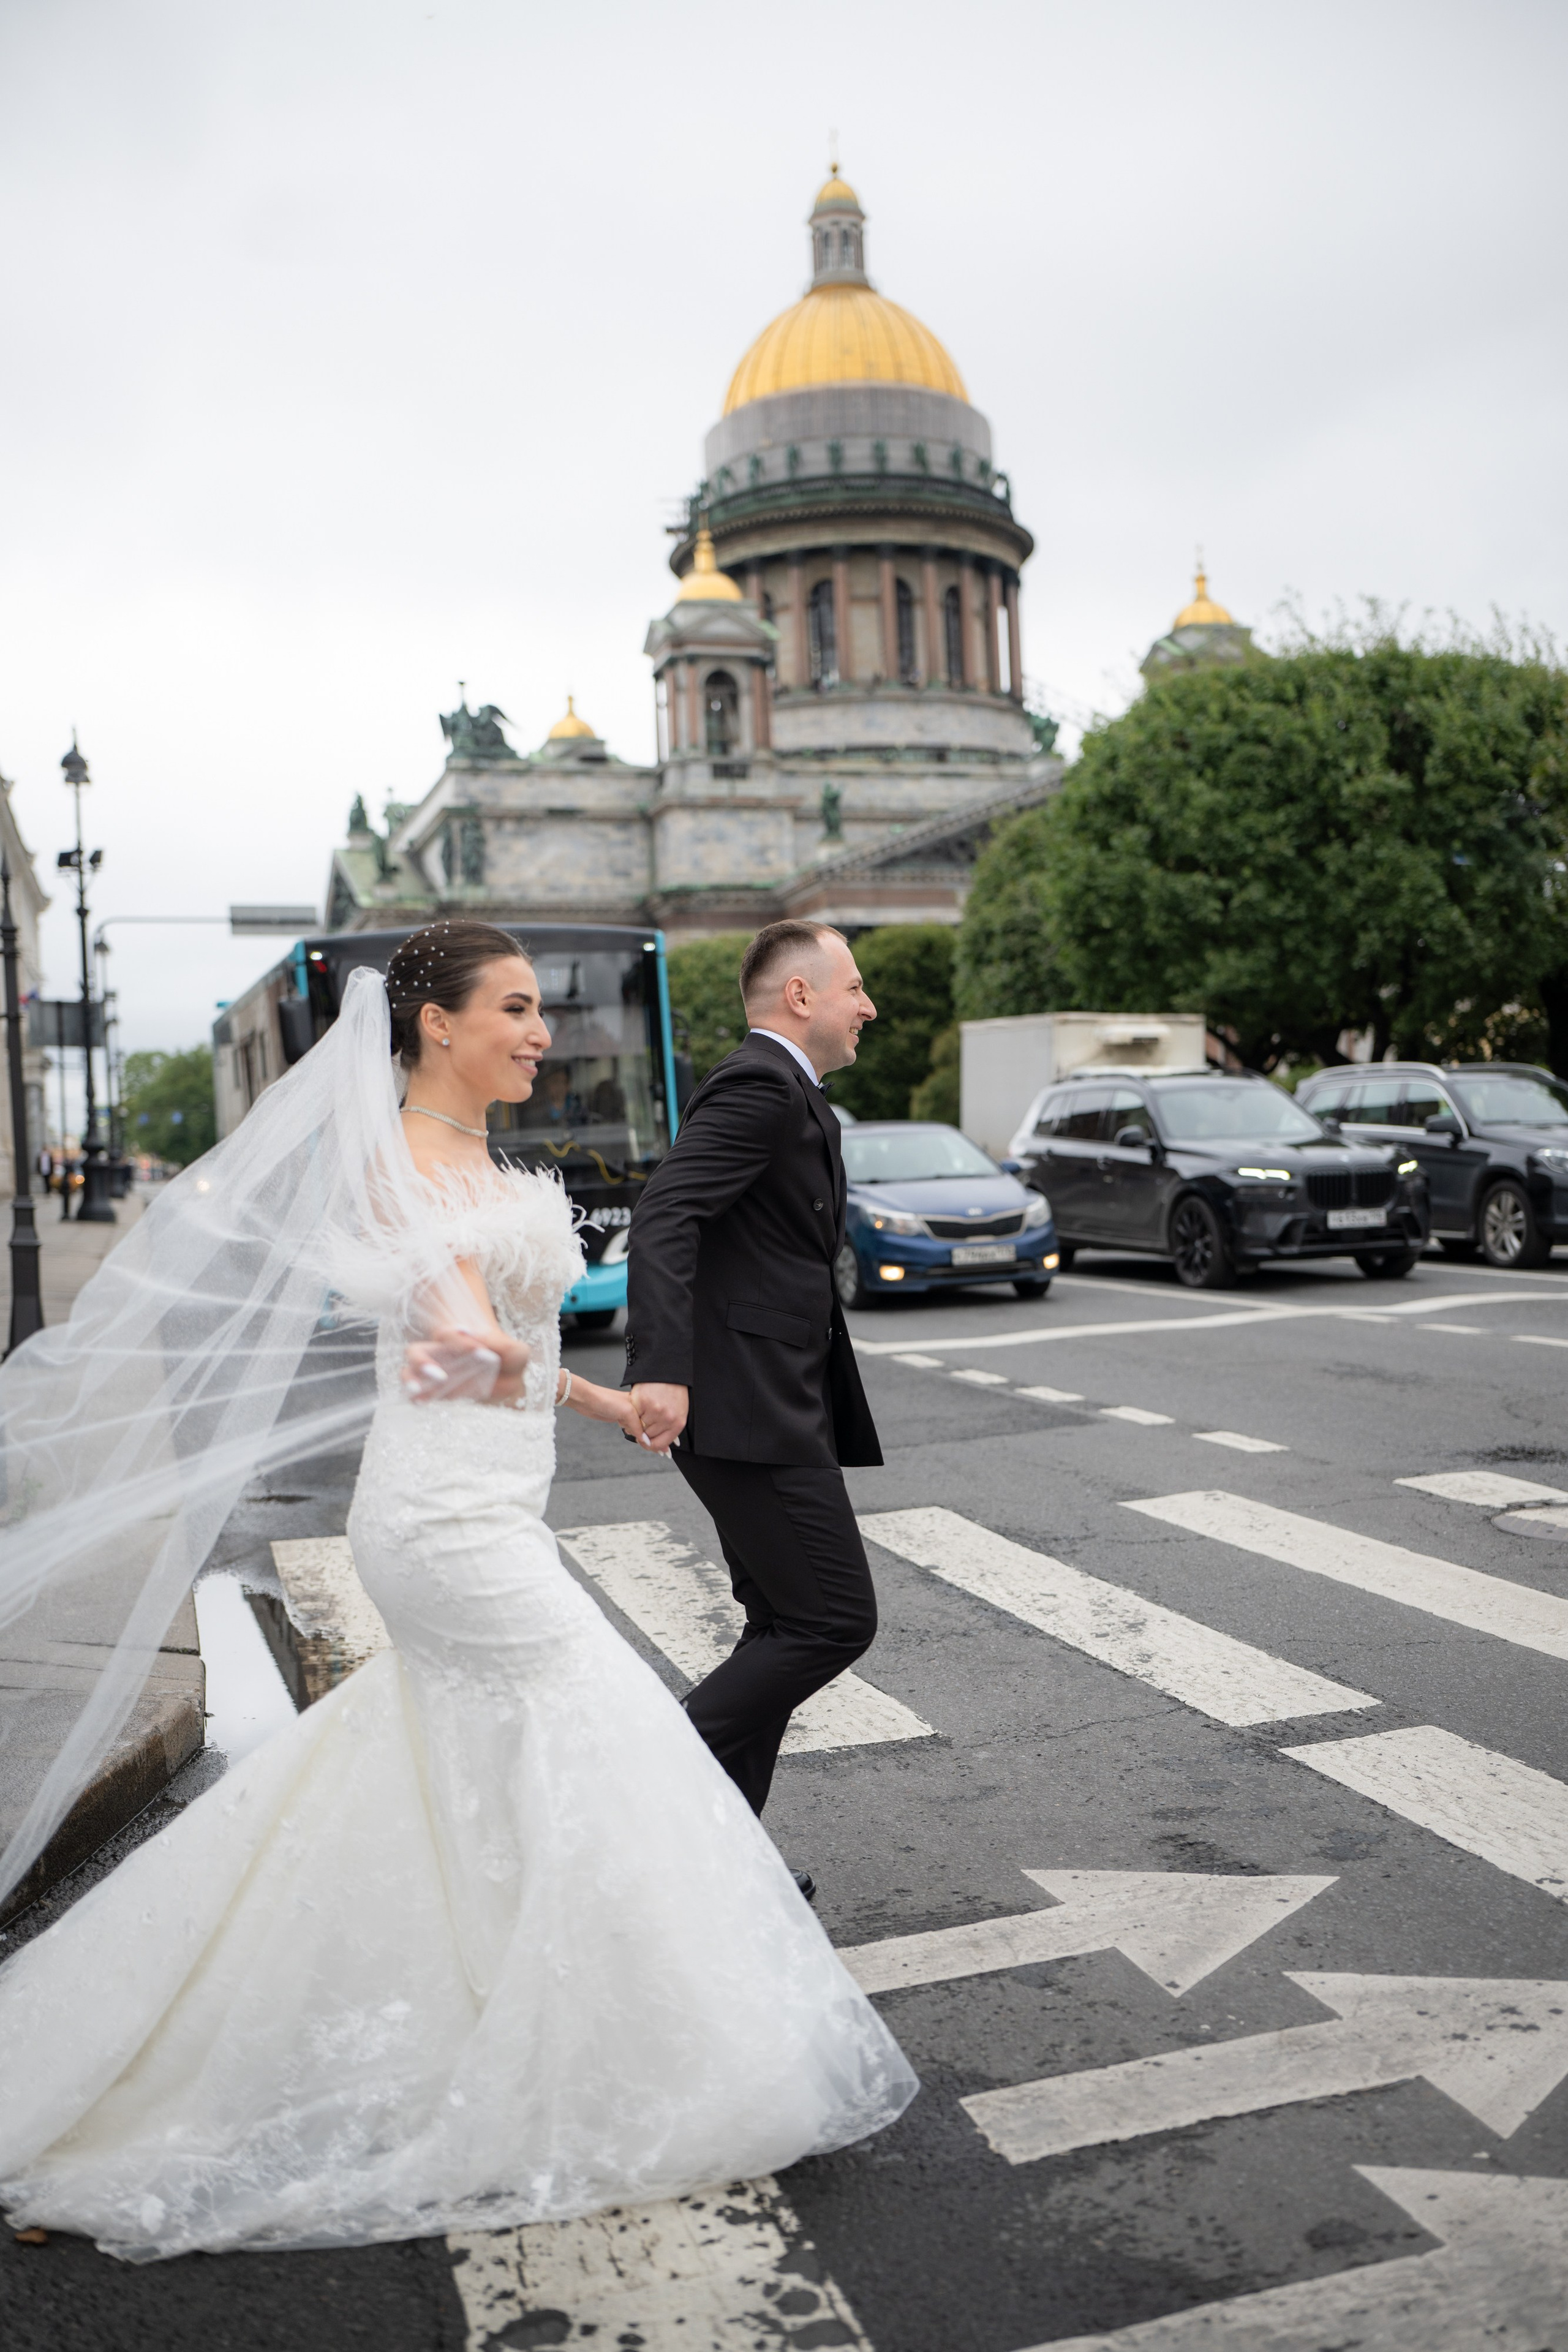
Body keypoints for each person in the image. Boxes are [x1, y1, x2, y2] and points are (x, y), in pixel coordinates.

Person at [0, 919, 914, 2262]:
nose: (544, 1034)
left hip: (484, 1506)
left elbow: (492, 1341)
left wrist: (605, 1395)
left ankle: (468, 1995)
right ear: (437, 1025)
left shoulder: (473, 1152)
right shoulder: (400, 1160)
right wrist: (501, 1356)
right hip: (445, 1528)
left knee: (436, 1770)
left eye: (543, 1012)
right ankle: (619, 2033)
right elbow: (457, 1340)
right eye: (518, 1010)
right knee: (600, 1735)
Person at [625, 922, 882, 1869]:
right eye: (853, 987)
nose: (869, 1006)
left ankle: (722, 1874)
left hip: (772, 1404)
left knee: (781, 1626)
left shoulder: (794, 1096)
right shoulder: (760, 1085)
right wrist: (663, 1367)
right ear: (801, 998)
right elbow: (666, 1215)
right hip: (746, 1412)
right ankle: (643, 1787)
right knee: (832, 1620)